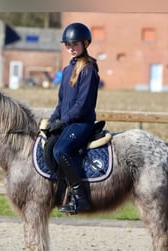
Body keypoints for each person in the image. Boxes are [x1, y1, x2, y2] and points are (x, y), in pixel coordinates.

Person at [45, 22, 100, 214]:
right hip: (68, 121)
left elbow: (82, 105)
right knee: (48, 145)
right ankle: (61, 190)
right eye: (67, 45)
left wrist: (63, 121)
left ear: (85, 43)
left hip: (82, 123)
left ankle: (80, 197)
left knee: (61, 150)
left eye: (75, 44)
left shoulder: (89, 69)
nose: (71, 48)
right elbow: (61, 102)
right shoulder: (68, 70)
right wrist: (52, 121)